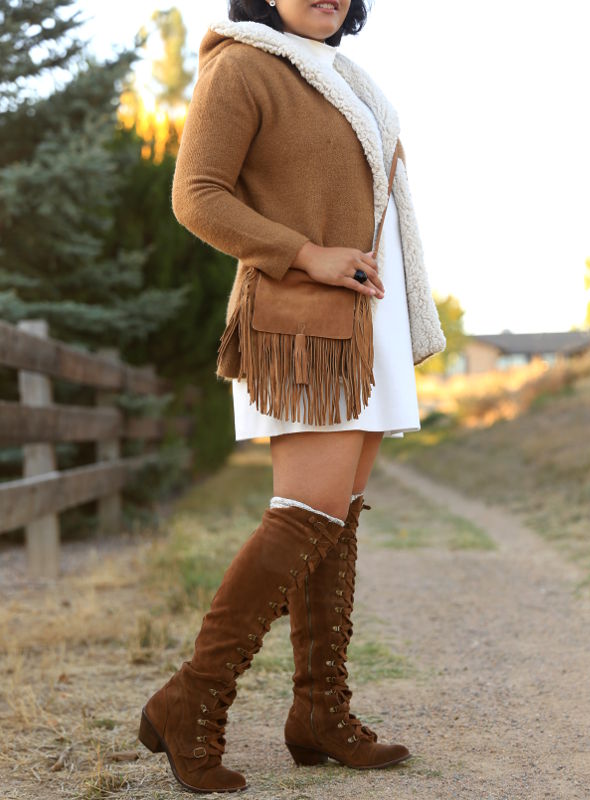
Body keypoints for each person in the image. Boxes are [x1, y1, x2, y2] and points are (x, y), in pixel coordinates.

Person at [138, 0, 446, 793]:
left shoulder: (345, 76)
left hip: (365, 320)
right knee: (307, 514)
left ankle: (319, 712)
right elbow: (196, 195)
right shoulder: (242, 64)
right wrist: (304, 253)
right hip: (300, 321)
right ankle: (192, 698)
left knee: (333, 519)